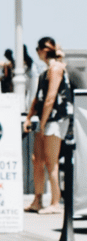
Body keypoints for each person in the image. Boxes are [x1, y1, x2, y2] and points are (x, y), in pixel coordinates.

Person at [25, 37, 69, 215]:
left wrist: (41, 124)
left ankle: (55, 202)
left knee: (51, 161)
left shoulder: (56, 68)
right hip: (45, 119)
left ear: (44, 50)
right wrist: (30, 117)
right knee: (38, 160)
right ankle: (38, 199)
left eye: (38, 49)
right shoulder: (46, 70)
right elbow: (40, 97)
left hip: (55, 119)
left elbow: (51, 98)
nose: (37, 53)